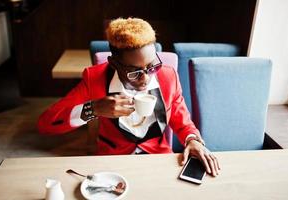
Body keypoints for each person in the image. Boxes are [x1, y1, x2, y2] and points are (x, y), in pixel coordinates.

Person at [38, 17, 220, 176]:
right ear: (114, 63)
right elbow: (46, 124)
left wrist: (193, 139)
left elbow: (183, 121)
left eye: (152, 66)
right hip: (113, 162)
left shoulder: (167, 76)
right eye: (134, 72)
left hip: (158, 159)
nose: (146, 78)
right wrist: (92, 109)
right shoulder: (95, 79)